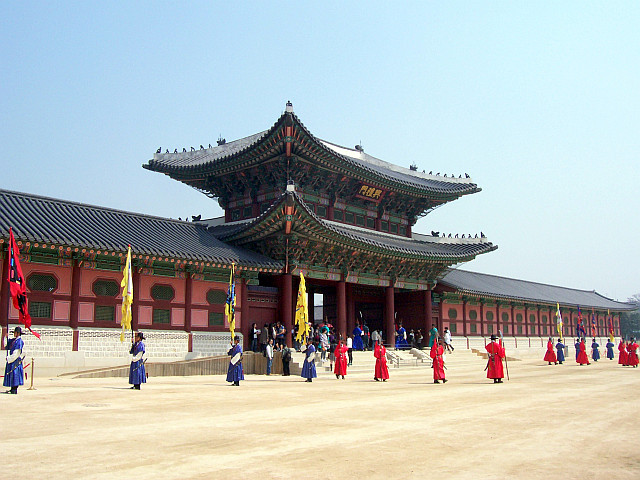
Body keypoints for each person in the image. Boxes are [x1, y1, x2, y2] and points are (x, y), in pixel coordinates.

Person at [3, 327, 24, 394]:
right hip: (12, 360)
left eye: (15, 332)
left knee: (15, 374)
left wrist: (9, 358)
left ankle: (14, 389)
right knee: (12, 374)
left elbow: (17, 353)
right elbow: (7, 345)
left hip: (15, 360)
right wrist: (6, 338)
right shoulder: (13, 340)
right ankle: (12, 388)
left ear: (18, 333)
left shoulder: (19, 342)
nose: (14, 334)